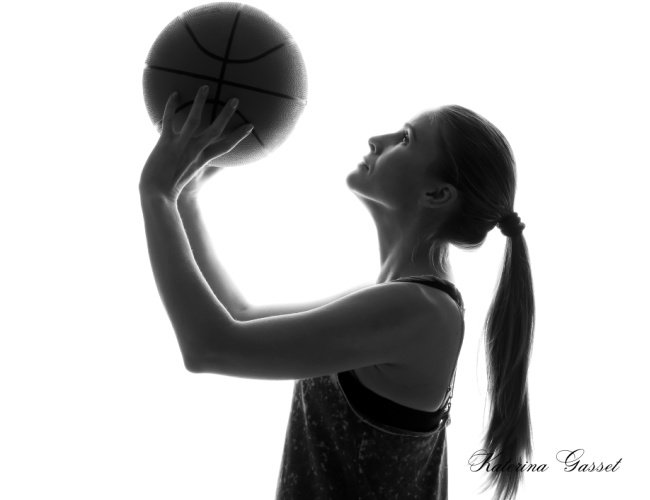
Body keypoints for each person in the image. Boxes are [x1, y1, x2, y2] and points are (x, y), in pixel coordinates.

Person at [139, 87, 535, 500]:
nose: (376, 140)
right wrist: (186, 195)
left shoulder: (419, 310)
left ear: (437, 194)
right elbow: (237, 315)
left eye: (405, 139)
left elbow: (209, 347)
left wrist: (157, 193)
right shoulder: (398, 303)